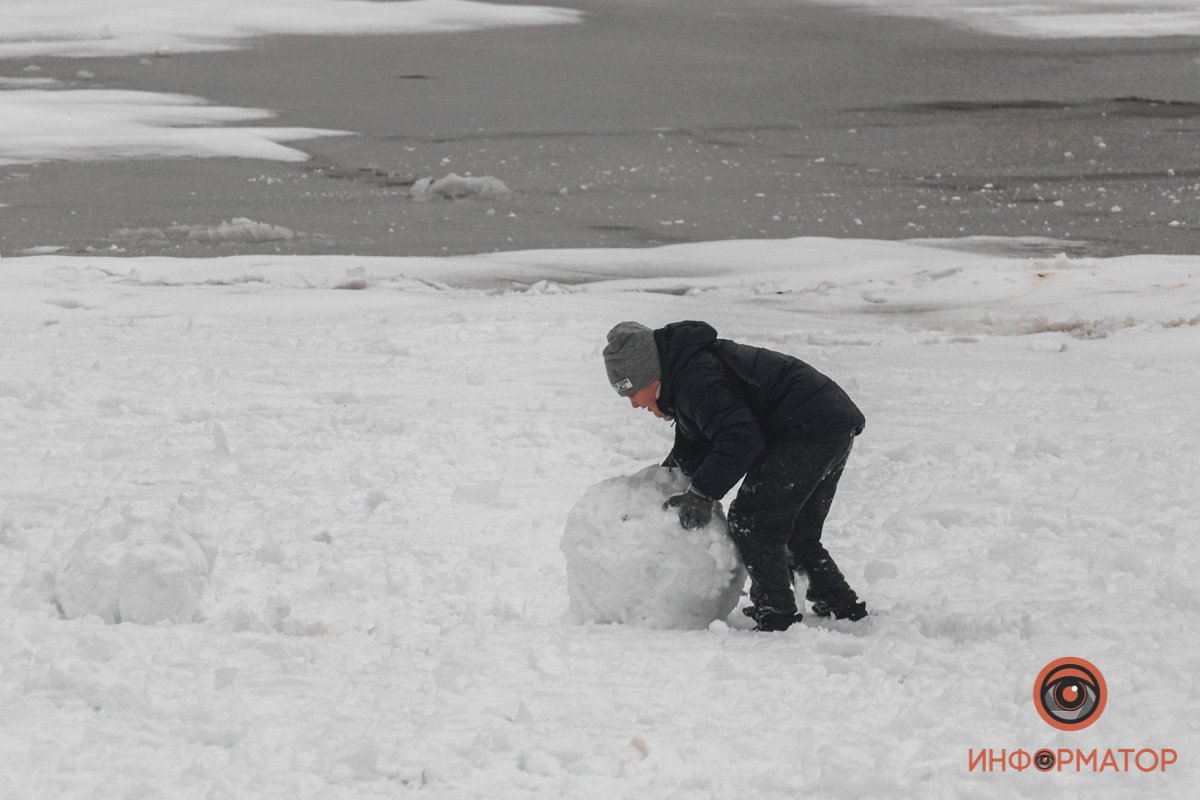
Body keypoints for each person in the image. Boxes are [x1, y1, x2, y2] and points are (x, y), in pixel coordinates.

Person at [602, 320, 868, 632]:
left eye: (632, 392)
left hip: (807, 427)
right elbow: (700, 439)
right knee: (796, 530)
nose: (634, 404)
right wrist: (663, 483)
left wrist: (702, 494)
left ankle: (777, 612)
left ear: (649, 374)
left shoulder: (695, 381)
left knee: (754, 519)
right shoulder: (684, 374)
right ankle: (839, 602)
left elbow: (740, 440)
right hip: (829, 420)